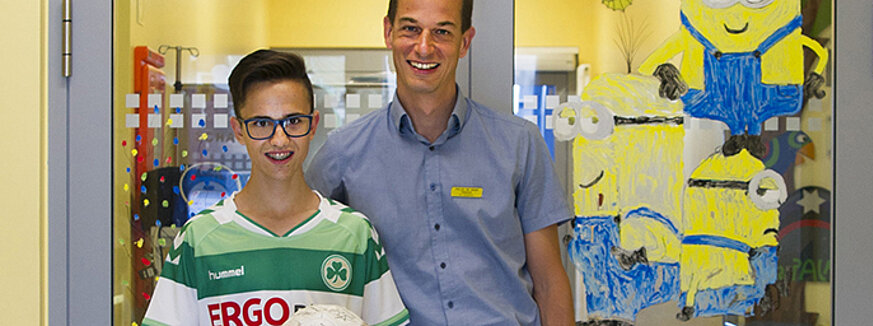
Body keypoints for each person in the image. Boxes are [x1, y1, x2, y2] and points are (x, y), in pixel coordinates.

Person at [307, 0, 575, 324]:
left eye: (442, 32)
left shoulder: (520, 143)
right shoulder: (342, 154)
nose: (424, 47)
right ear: (388, 32)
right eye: (410, 29)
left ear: (464, 42)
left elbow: (549, 283)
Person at [143, 49, 409, 326]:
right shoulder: (198, 241)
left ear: (313, 123)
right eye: (261, 123)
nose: (279, 140)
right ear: (238, 129)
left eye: (293, 121)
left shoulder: (356, 236)